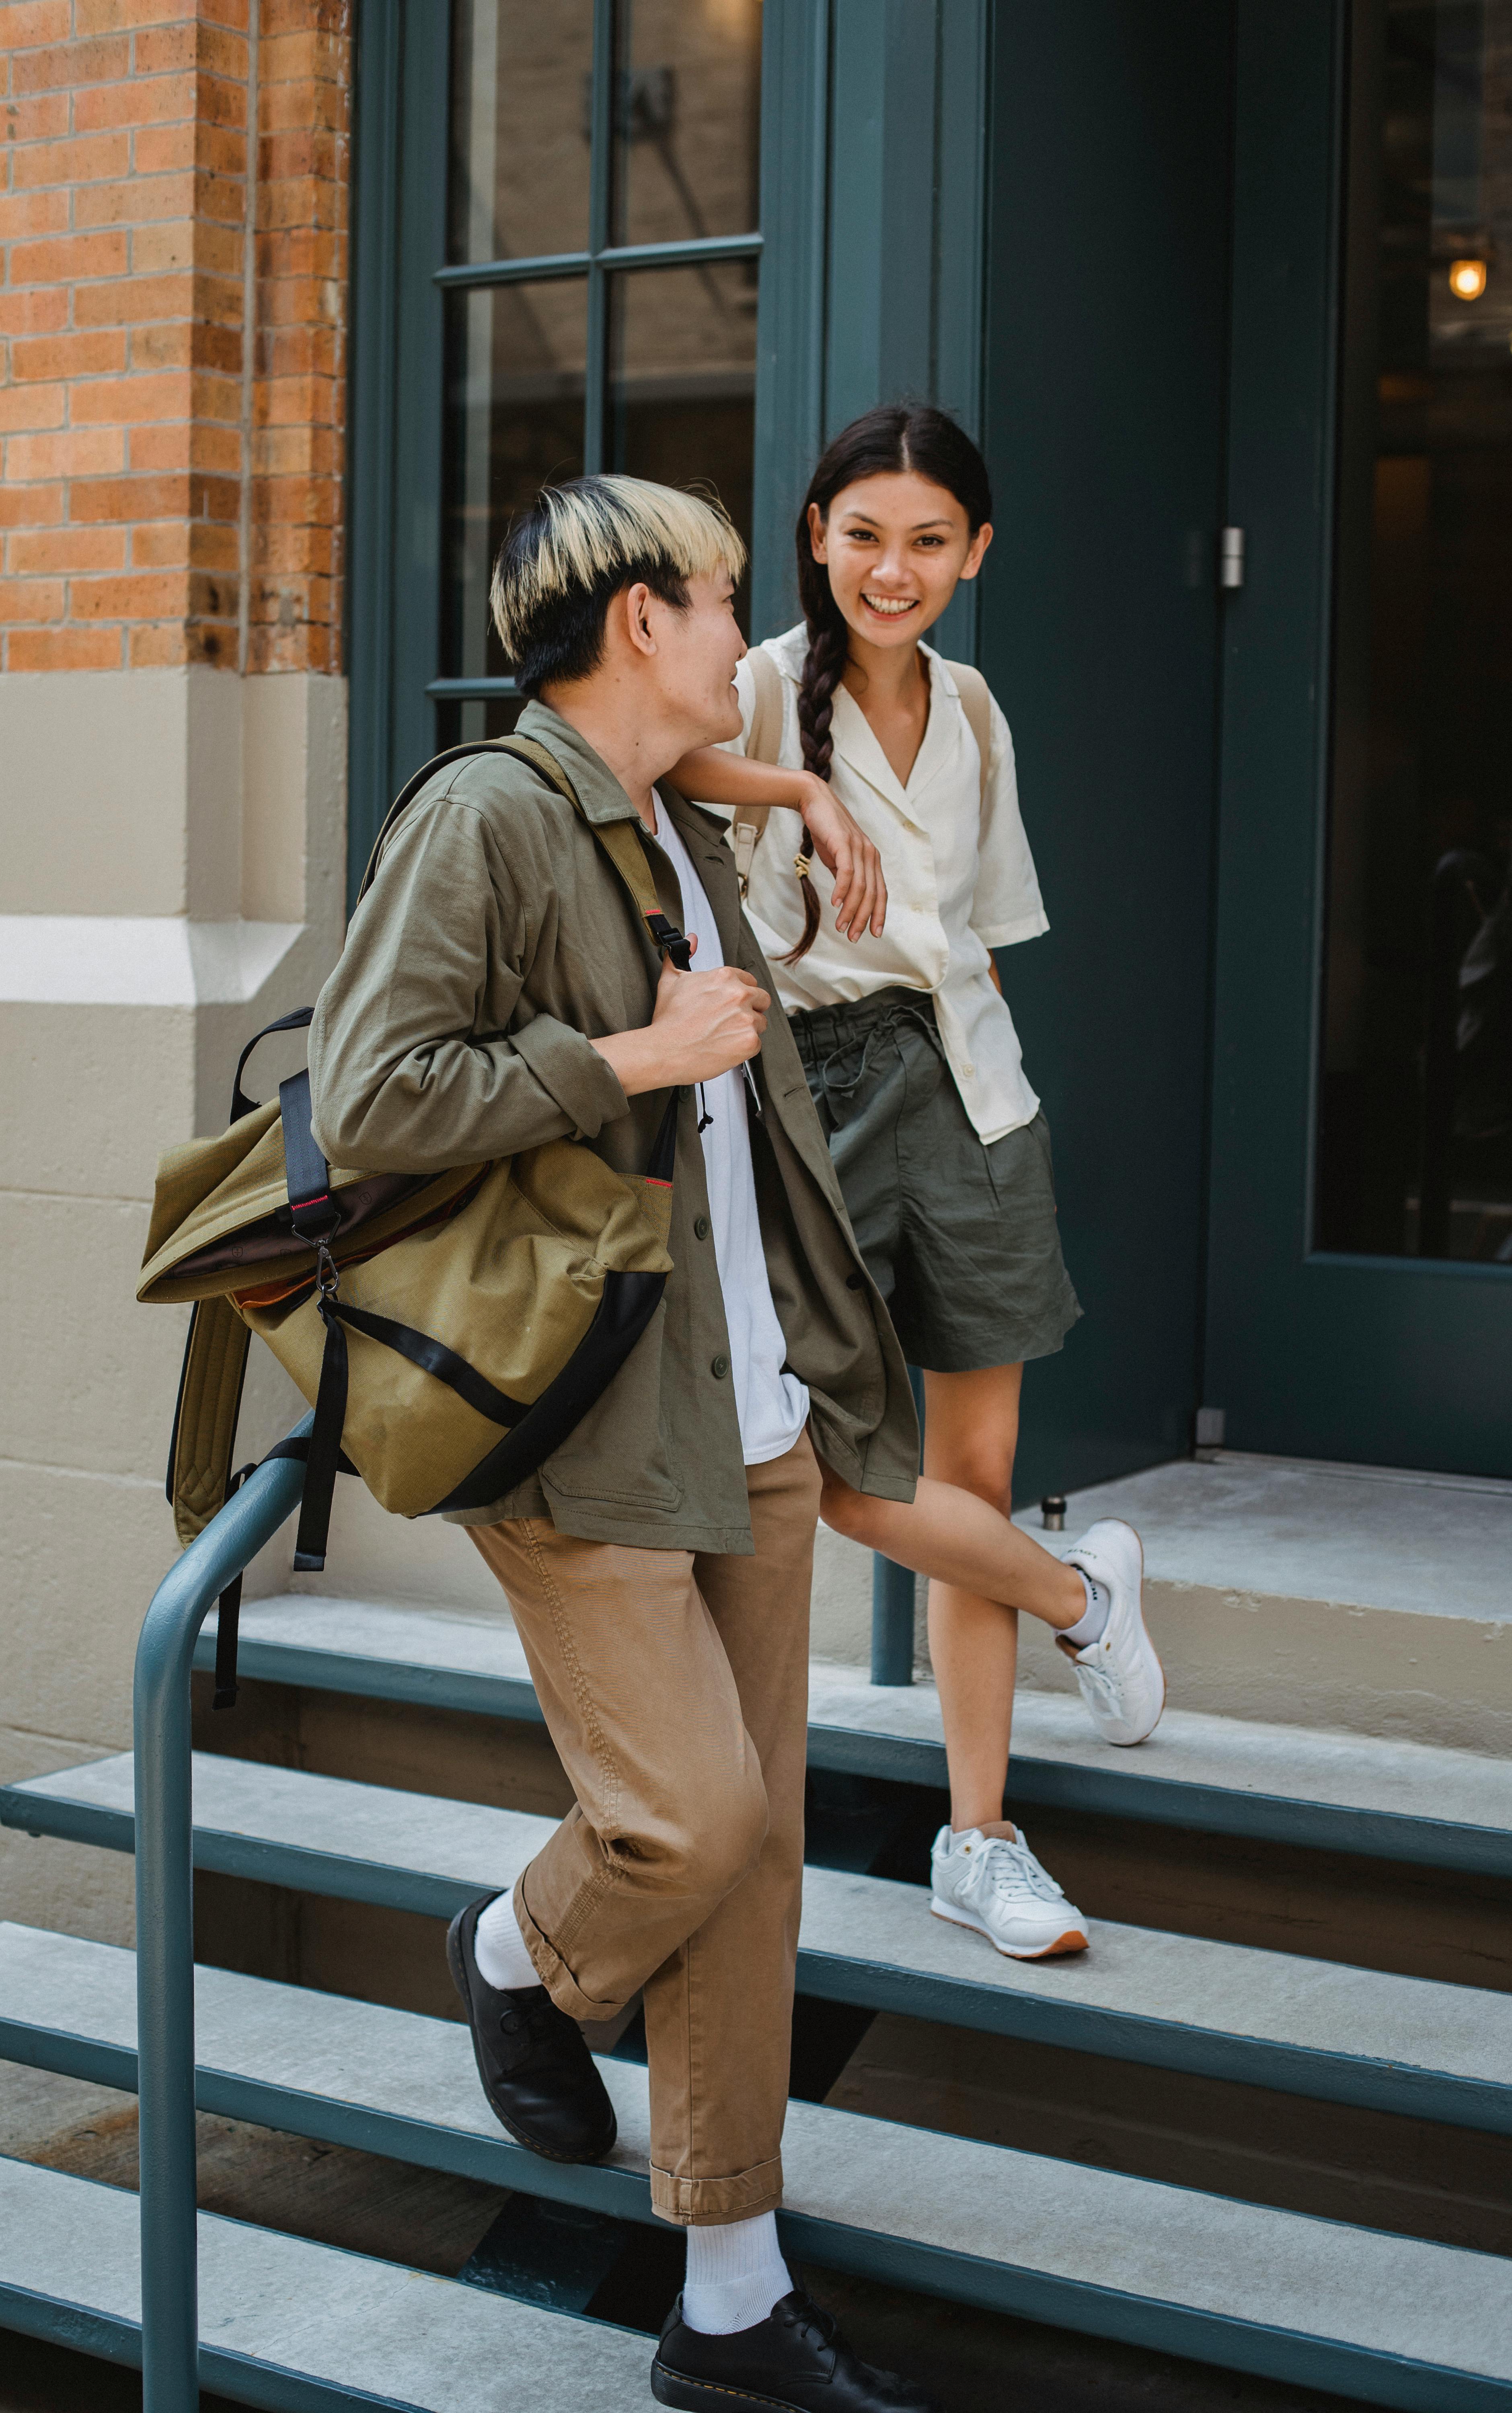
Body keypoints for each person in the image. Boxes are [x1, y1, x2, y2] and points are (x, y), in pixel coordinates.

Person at [308, 472, 1148, 2411]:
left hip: (750, 1422)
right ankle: (520, 1952)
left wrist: (794, 799)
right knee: (693, 1825)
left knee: (753, 1878)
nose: (738, 628)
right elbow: (369, 1098)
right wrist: (627, 1057)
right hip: (584, 1431)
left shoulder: (671, 816)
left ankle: (729, 2305)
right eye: (709, 597)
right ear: (637, 627)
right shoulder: (488, 816)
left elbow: (738, 844)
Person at [667, 405, 1164, 1966]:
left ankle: (981, 1838)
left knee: (970, 1465)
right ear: (815, 532)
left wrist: (988, 1110)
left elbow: (983, 931)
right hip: (802, 1102)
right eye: (864, 534)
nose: (894, 568)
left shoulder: (971, 704)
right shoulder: (749, 681)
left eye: (928, 540)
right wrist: (797, 795)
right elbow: (641, 759)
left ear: (975, 552)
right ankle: (1076, 1596)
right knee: (827, 1466)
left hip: (965, 1086)